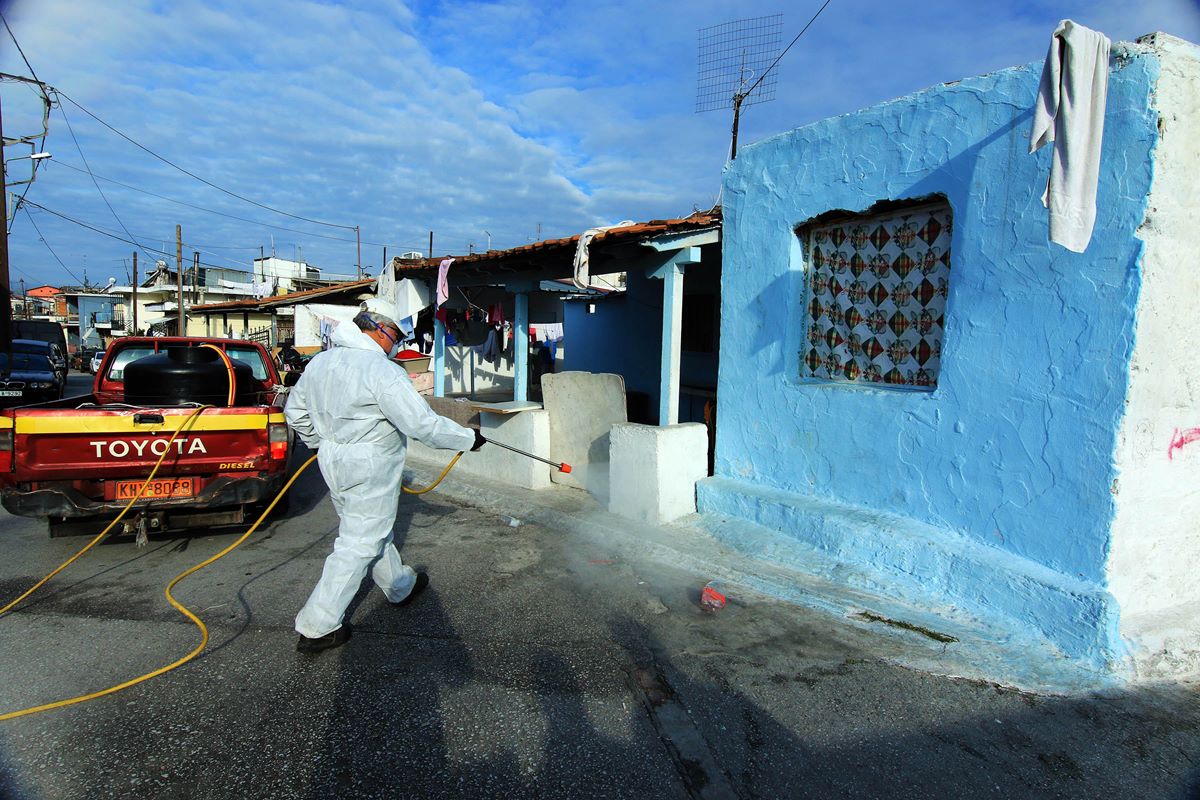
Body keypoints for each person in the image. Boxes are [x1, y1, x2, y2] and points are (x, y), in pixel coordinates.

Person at [284, 304, 486, 653]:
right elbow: (421, 424)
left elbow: (295, 413)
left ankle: (399, 585)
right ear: (380, 330)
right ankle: (318, 625)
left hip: (333, 460)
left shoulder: (319, 363)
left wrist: (323, 445)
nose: (396, 343)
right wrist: (468, 439)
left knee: (365, 528)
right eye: (395, 335)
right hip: (369, 464)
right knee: (358, 542)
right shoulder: (381, 370)